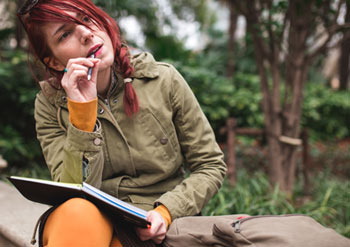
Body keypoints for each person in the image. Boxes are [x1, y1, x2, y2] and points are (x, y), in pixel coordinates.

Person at [17, 0, 227, 246]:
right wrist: (82, 113)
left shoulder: (162, 80)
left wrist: (167, 211)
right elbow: (71, 189)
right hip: (91, 220)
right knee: (76, 212)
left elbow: (210, 165)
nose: (86, 33)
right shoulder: (49, 104)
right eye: (65, 34)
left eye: (86, 19)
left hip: (156, 223)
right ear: (53, 62)